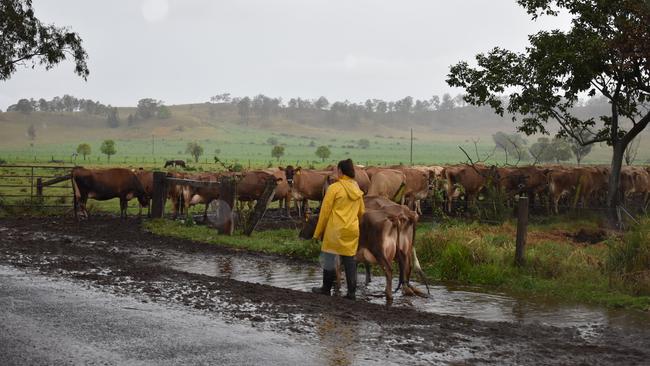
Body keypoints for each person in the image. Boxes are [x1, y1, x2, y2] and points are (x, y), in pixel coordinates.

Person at [311, 159, 365, 300]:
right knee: (350, 260)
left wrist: (317, 233)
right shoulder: (357, 189)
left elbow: (324, 213)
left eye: (336, 170)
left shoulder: (334, 188)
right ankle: (351, 293)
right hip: (352, 229)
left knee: (329, 258)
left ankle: (325, 289)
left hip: (335, 230)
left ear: (341, 171)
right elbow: (361, 212)